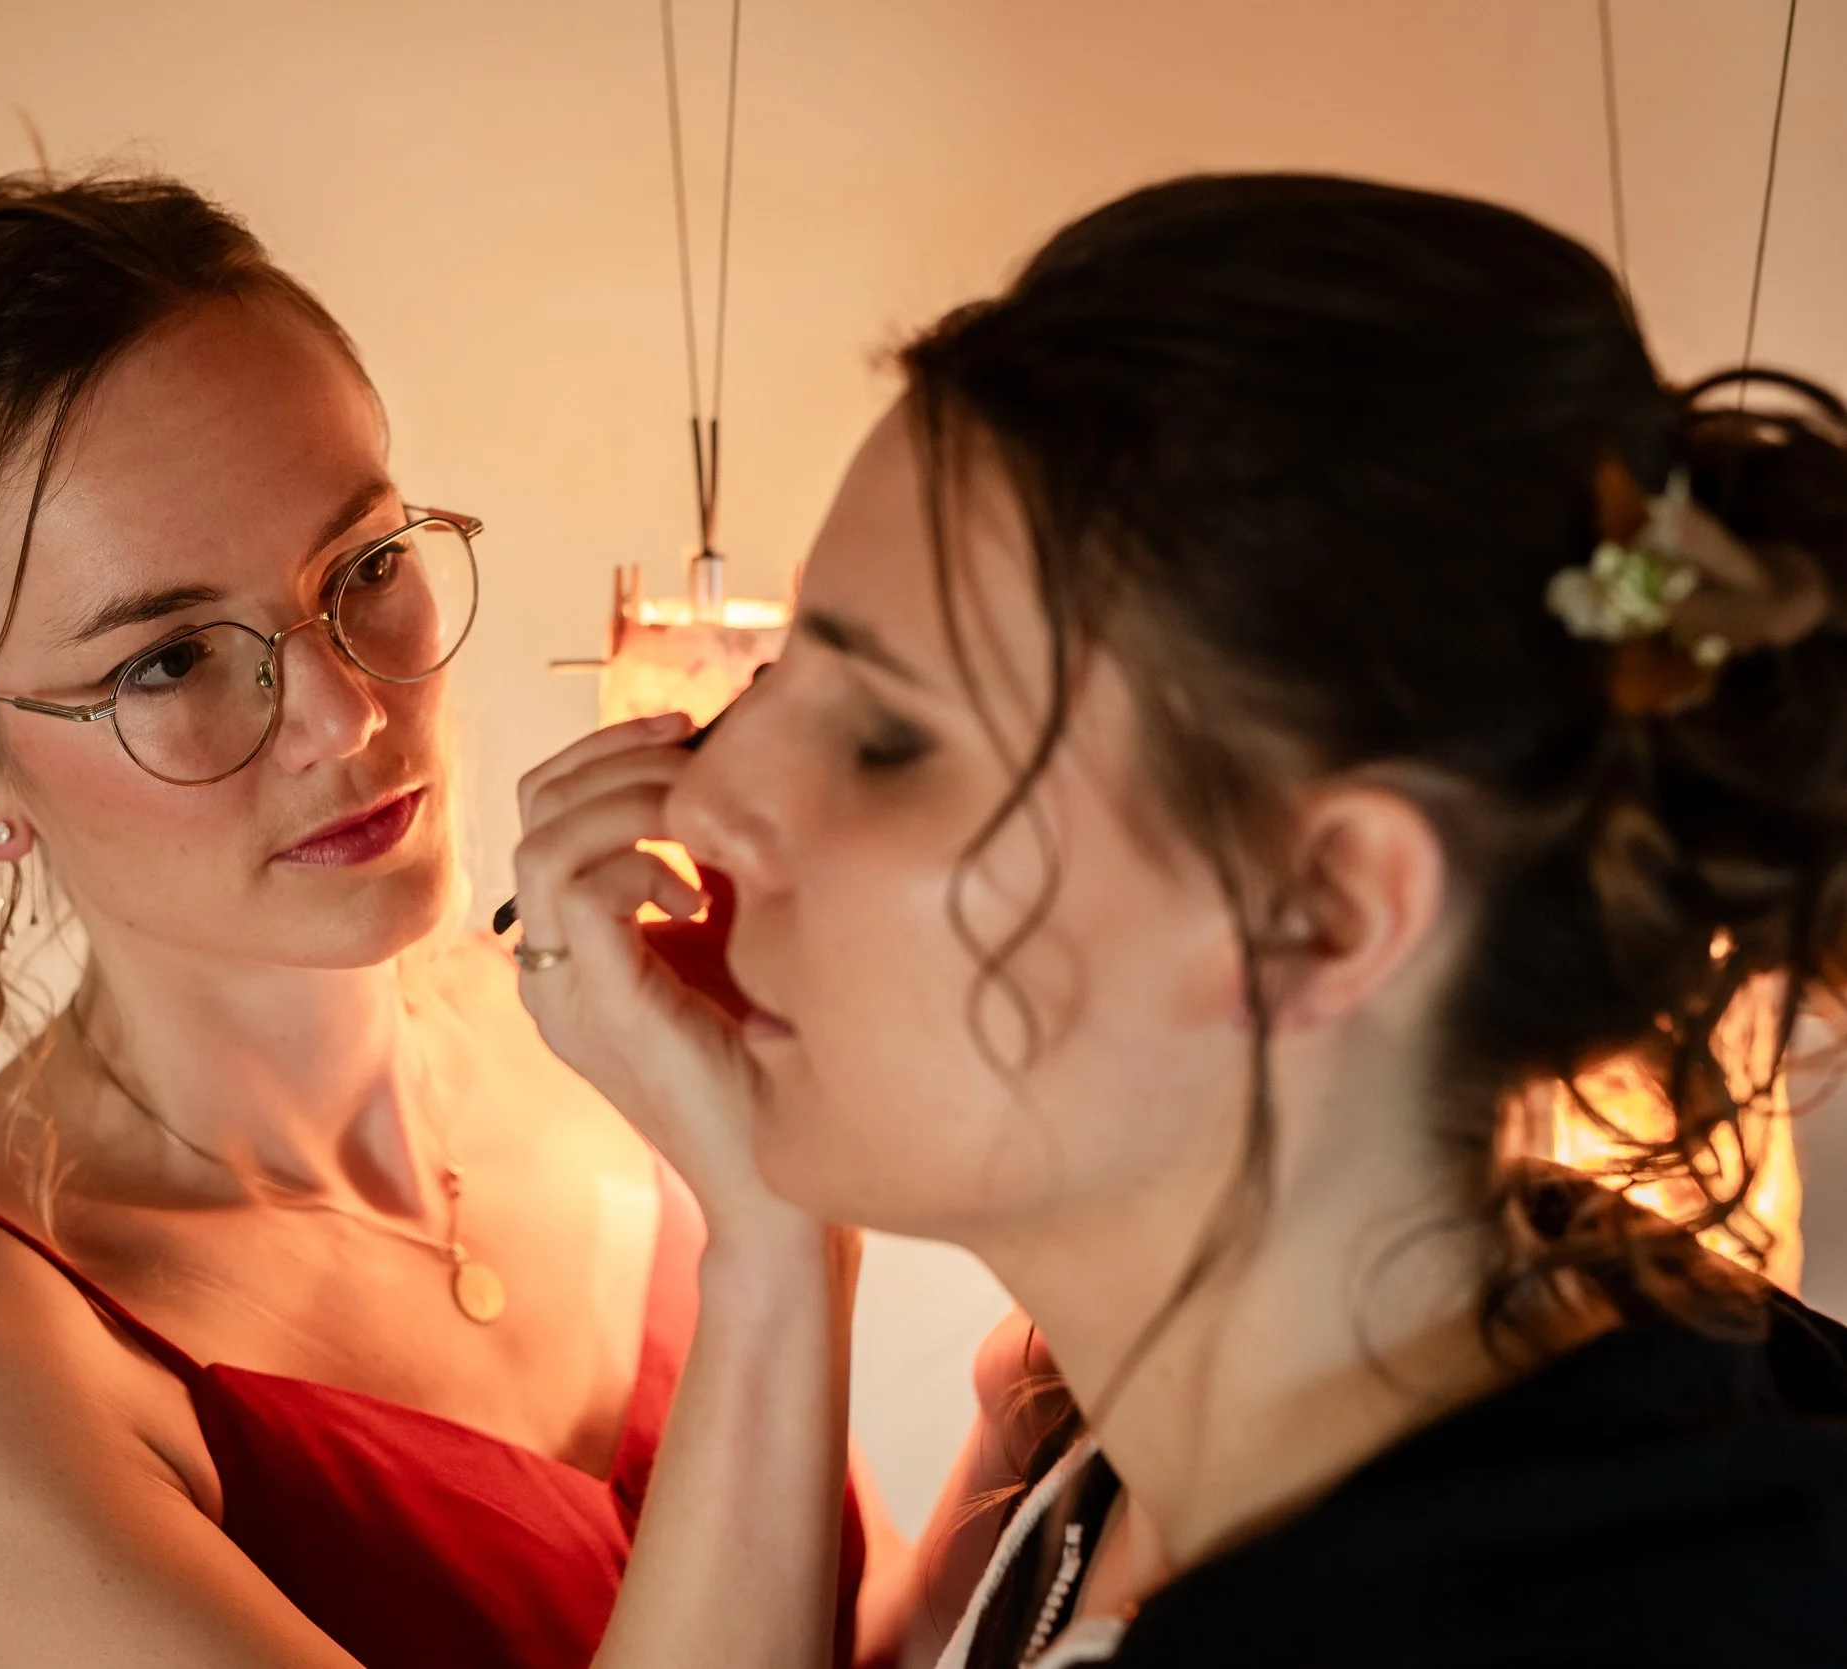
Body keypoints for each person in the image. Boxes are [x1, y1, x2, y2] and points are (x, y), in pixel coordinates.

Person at [511, 173, 1847, 1667]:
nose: (704, 807)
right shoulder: (1133, 1436)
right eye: (773, 686)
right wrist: (767, 1227)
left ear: (1326, 915)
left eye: (889, 735)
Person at [0, 156, 946, 1668]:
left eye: (367, 566)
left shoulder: (618, 1034)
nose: (344, 710)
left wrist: (1055, 1371)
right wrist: (783, 1241)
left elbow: (874, 1638)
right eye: (168, 662)